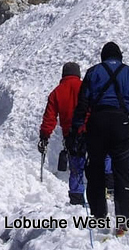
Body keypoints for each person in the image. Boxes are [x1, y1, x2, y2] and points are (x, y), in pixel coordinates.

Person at [70, 41, 129, 225]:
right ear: (120, 56)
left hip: (97, 124)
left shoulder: (93, 72)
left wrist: (76, 131)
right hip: (121, 124)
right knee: (121, 172)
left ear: (103, 56)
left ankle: (99, 216)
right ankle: (125, 218)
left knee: (95, 171)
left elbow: (82, 104)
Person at [38, 62, 86, 205]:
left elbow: (49, 117)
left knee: (76, 168)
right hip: (90, 132)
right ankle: (102, 196)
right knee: (95, 163)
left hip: (71, 136)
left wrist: (44, 136)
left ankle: (76, 199)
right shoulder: (85, 87)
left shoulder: (56, 92)